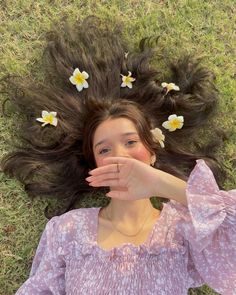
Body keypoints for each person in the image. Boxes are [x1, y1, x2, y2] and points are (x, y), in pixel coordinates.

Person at [1, 16, 235, 295]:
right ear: (95, 164)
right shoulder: (67, 231)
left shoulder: (186, 227)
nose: (119, 155)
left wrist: (164, 184)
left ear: (151, 152)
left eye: (130, 142)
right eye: (104, 149)